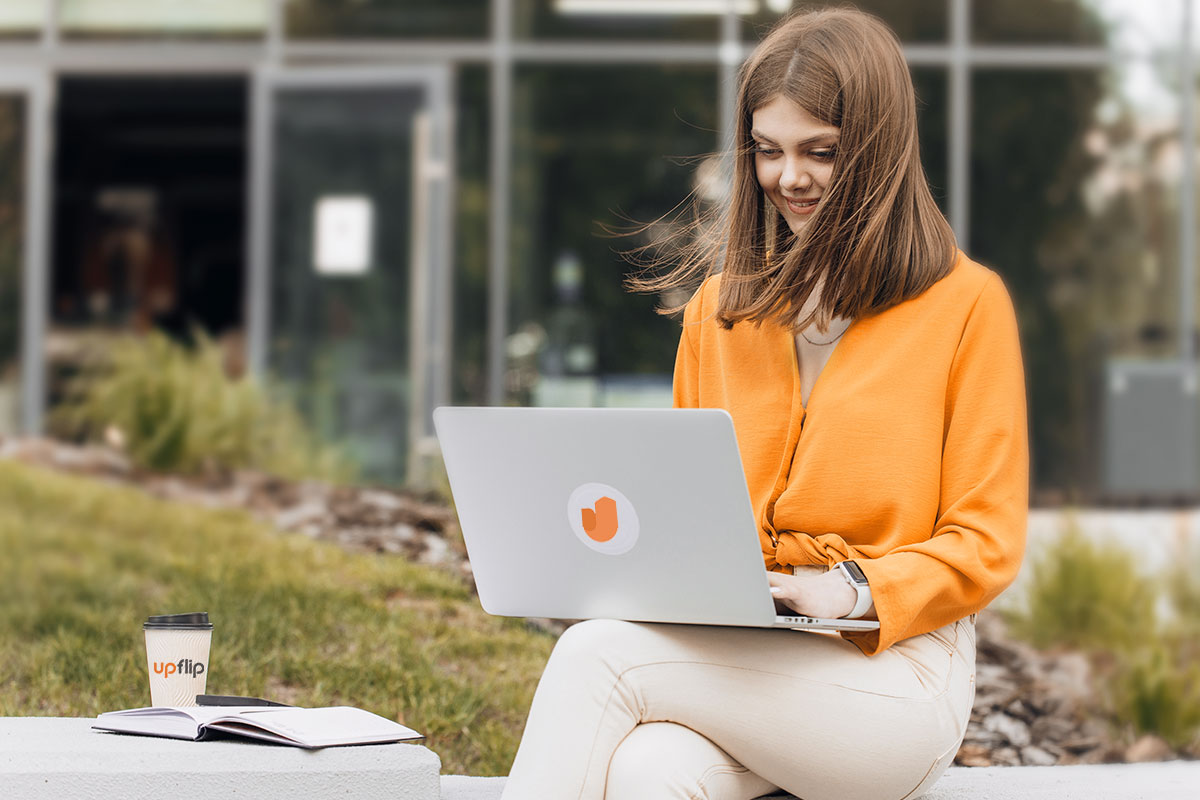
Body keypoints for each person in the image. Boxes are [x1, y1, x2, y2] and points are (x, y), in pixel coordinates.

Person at [500, 8, 1028, 800]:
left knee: (595, 654)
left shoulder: (967, 306)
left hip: (896, 674)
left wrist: (850, 588)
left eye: (822, 152)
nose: (790, 178)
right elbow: (686, 513)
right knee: (650, 772)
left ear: (879, 153)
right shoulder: (717, 311)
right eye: (769, 151)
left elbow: (985, 541)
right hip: (749, 653)